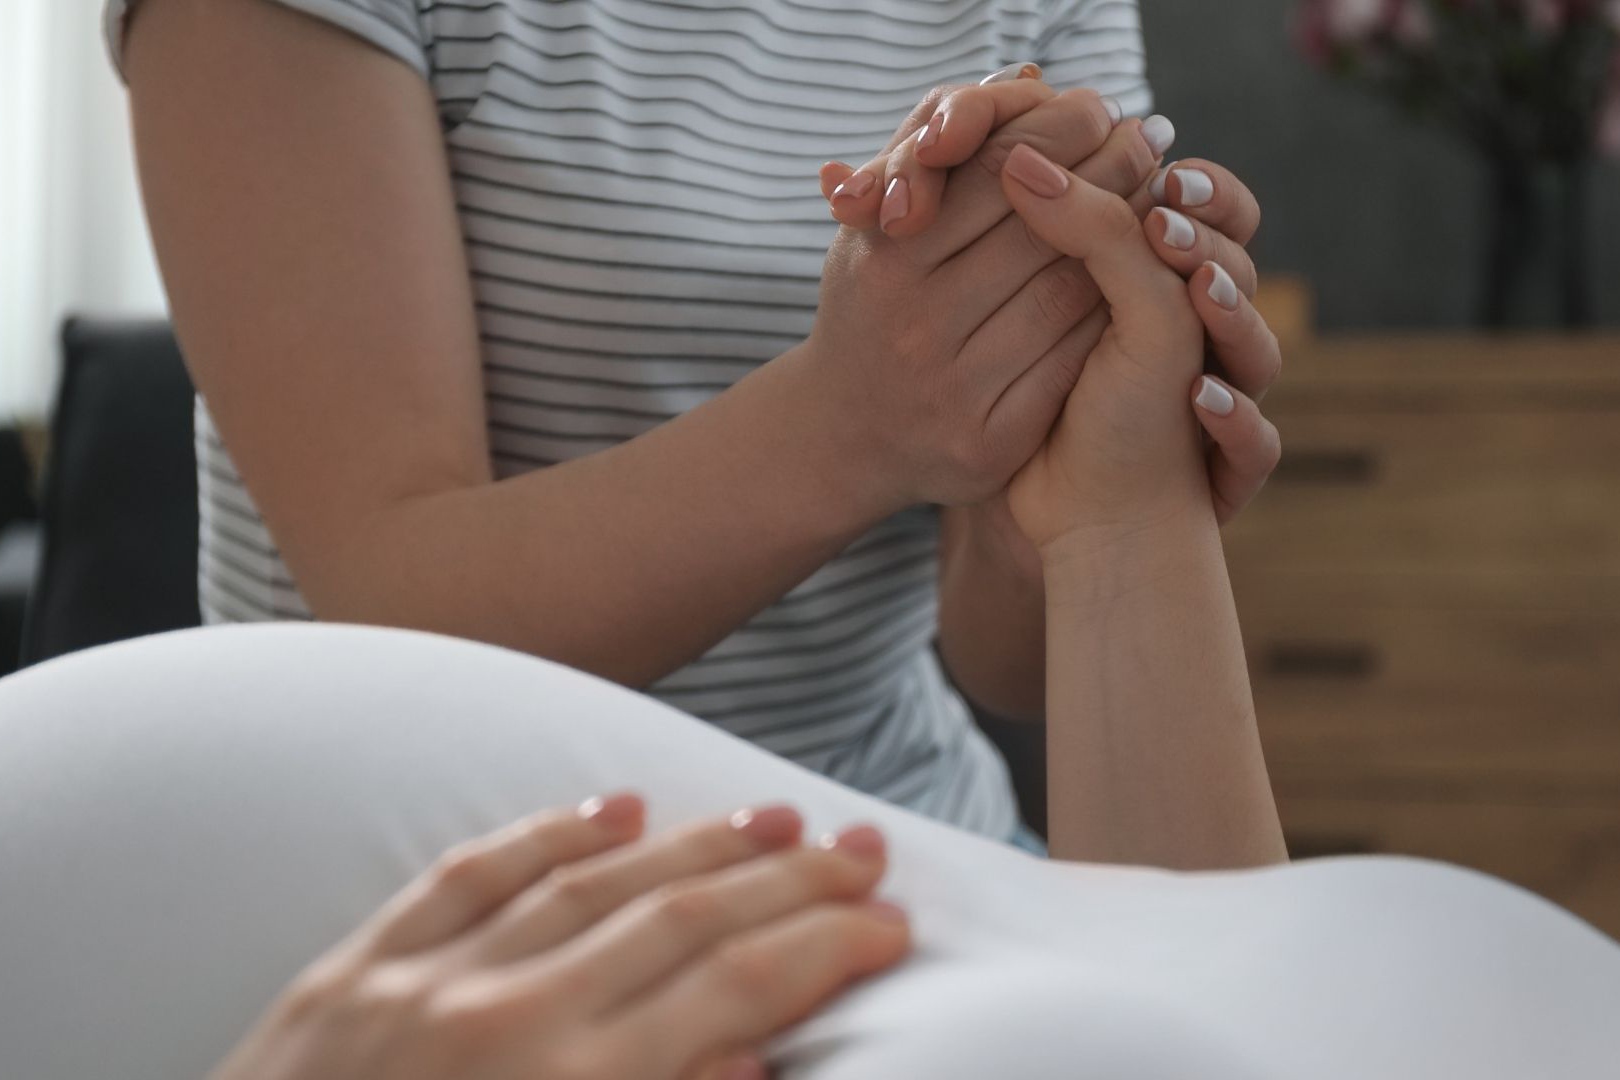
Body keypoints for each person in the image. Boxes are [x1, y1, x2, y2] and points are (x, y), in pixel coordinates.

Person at [4, 152, 1615, 1080]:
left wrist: (1113, 496)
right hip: (451, 938)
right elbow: (388, 585)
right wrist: (870, 419)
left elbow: (1168, 904)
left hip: (885, 887)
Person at [109, 0, 1280, 849]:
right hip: (422, 886)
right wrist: (855, 424)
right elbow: (387, 607)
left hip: (895, 844)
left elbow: (1002, 662)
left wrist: (1073, 506)